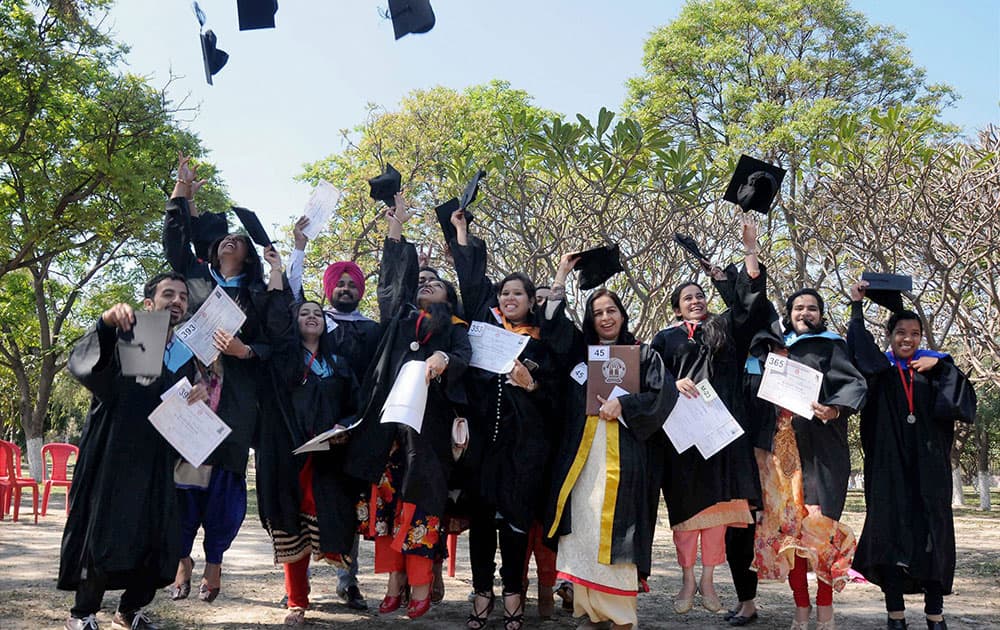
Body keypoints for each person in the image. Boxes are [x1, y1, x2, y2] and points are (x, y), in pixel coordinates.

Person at [343, 193, 471, 620]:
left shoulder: (453, 329)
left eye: (435, 284)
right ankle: (393, 582)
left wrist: (444, 359)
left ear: (449, 299)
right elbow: (393, 278)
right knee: (387, 504)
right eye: (422, 284)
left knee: (422, 503)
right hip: (388, 431)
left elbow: (464, 358)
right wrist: (395, 225)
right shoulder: (398, 319)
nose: (425, 285)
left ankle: (417, 586)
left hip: (428, 434)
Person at [60, 273, 206, 630]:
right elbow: (89, 365)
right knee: (104, 531)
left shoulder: (185, 354)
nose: (177, 301)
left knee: (158, 536)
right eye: (168, 294)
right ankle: (83, 614)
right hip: (114, 452)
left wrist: (198, 394)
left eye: (183, 297)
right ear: (148, 303)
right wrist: (106, 324)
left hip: (157, 458)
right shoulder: (131, 333)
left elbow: (176, 404)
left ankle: (130, 610)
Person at [542, 254, 678, 630]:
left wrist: (625, 403)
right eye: (598, 312)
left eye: (611, 310)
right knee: (584, 527)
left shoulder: (643, 354)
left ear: (622, 314)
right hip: (582, 460)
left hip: (626, 458)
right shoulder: (579, 352)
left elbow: (663, 397)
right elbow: (552, 327)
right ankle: (588, 609)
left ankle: (619, 616)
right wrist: (561, 274)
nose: (605, 317)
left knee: (617, 531)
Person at [163, 154, 273, 602]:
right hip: (188, 393)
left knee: (224, 486)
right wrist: (180, 194)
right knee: (184, 483)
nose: (229, 240)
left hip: (233, 402)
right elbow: (173, 243)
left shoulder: (256, 296)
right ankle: (182, 560)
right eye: (224, 238)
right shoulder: (194, 280)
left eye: (237, 240)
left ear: (247, 257)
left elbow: (274, 347)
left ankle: (214, 560)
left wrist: (244, 350)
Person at [445, 209, 558, 629]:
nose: (510, 299)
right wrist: (461, 231)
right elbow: (471, 282)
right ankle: (481, 596)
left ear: (531, 301)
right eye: (505, 294)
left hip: (525, 452)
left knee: (514, 526)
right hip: (481, 449)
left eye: (518, 294)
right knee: (481, 525)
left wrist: (531, 384)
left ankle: (514, 596)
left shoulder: (543, 346)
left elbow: (557, 399)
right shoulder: (483, 332)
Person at [649, 216, 768, 616]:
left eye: (700, 296)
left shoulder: (724, 328)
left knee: (719, 511)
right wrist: (671, 382)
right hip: (683, 436)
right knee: (687, 509)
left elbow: (748, 304)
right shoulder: (664, 339)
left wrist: (749, 252)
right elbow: (648, 379)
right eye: (687, 298)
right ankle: (686, 580)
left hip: (722, 434)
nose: (696, 301)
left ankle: (708, 581)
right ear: (676, 307)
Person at [846, 281, 977, 630]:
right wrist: (857, 307)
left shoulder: (935, 369)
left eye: (915, 333)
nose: (908, 339)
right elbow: (860, 352)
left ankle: (935, 615)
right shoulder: (881, 372)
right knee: (889, 539)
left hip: (929, 469)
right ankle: (896, 616)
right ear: (888, 335)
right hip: (887, 469)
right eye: (900, 332)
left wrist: (943, 367)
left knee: (933, 537)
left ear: (922, 336)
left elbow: (963, 406)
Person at [253, 245, 364, 626]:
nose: (312, 316)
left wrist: (343, 427)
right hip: (286, 453)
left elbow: (355, 405)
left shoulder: (339, 364)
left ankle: (346, 584)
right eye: (305, 312)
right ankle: (296, 601)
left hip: (328, 457)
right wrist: (278, 269)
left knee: (332, 520)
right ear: (294, 321)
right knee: (289, 524)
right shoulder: (282, 360)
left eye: (318, 313)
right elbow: (276, 313)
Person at [748, 288, 868, 630]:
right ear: (789, 313)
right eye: (798, 308)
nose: (805, 313)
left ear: (821, 314)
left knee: (819, 535)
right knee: (790, 538)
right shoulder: (774, 348)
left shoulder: (831, 346)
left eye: (812, 308)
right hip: (779, 458)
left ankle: (825, 612)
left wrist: (832, 410)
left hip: (820, 455)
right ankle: (801, 610)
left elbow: (853, 385)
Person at [285, 216, 382, 610]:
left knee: (348, 506)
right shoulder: (314, 328)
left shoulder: (372, 329)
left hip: (352, 427)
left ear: (360, 292)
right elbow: (289, 298)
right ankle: (297, 585)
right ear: (328, 291)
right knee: (301, 505)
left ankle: (348, 579)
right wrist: (299, 247)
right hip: (307, 432)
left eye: (352, 284)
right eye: (339, 284)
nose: (345, 288)